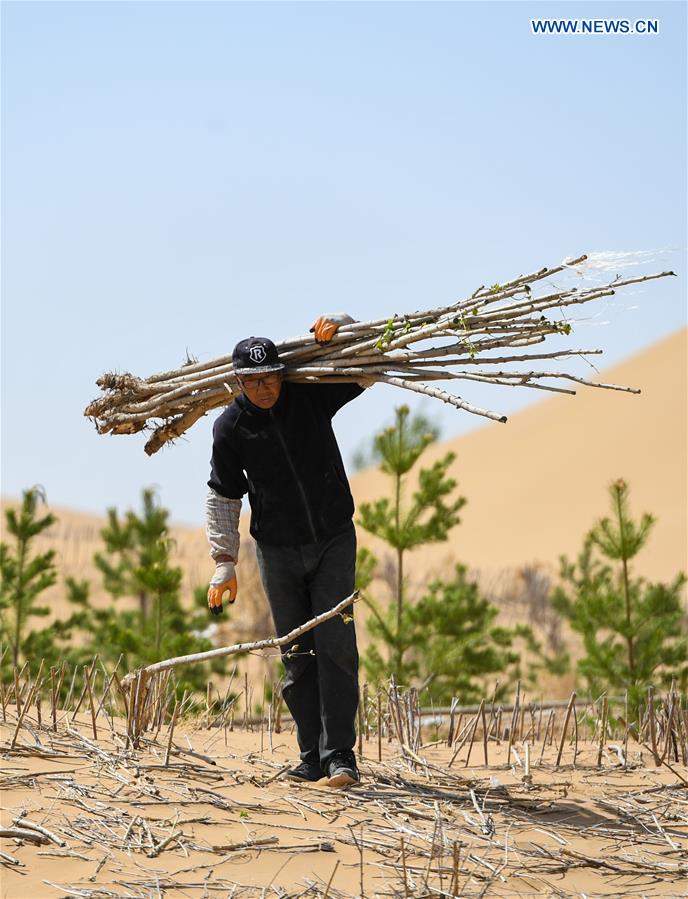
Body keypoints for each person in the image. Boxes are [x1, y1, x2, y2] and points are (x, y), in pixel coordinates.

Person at [205, 315, 371, 787]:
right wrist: (224, 562)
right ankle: (309, 756)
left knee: (337, 646)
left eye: (271, 376)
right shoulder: (230, 427)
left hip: (334, 538)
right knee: (296, 652)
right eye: (253, 380)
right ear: (238, 381)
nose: (264, 387)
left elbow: (367, 368)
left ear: (281, 373)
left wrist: (344, 326)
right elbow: (223, 495)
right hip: (276, 551)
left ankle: (340, 755)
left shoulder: (310, 394)